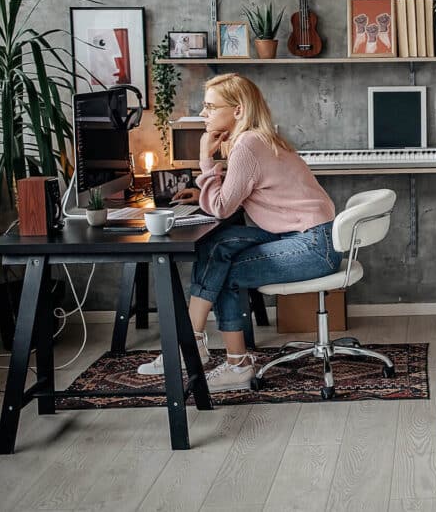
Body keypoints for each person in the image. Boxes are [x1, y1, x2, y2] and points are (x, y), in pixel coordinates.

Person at [136, 73, 340, 392]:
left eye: (210, 106)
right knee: (218, 244)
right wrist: (203, 191)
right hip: (306, 237)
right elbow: (235, 194)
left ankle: (228, 361)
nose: (203, 113)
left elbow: (220, 208)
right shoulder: (259, 138)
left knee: (224, 270)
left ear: (238, 110)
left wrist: (205, 159)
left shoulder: (247, 144)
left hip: (313, 246)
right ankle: (194, 343)